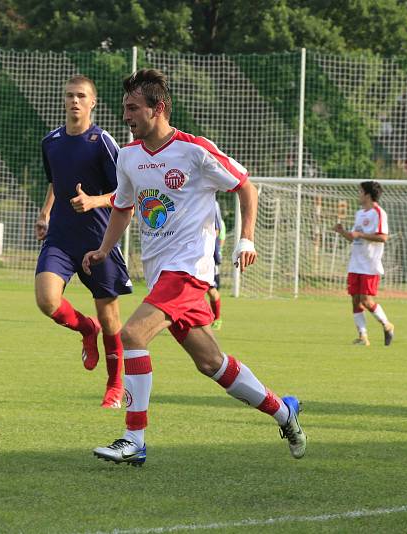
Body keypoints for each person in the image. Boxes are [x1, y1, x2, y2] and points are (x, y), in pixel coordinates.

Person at [82, 69, 306, 465]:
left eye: (133, 108)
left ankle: (134, 440)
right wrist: (103, 249)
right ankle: (284, 412)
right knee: (211, 364)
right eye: (124, 108)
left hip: (189, 268)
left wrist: (246, 238)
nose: (126, 116)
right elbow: (123, 207)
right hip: (159, 272)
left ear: (158, 108)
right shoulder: (129, 156)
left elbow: (244, 186)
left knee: (132, 334)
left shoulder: (194, 150)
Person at [35, 75, 132, 409]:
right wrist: (45, 212)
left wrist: (94, 201)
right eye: (69, 96)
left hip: (98, 239)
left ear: (93, 103)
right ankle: (84, 329)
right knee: (47, 301)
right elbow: (55, 182)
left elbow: (125, 191)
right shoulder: (51, 142)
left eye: (81, 96)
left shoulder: (102, 141)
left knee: (111, 319)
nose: (74, 101)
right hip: (61, 237)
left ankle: (115, 385)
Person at [334, 181, 395, 347]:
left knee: (366, 300)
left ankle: (387, 325)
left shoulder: (379, 213)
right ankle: (363, 336)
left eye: (360, 192)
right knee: (355, 300)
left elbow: (383, 237)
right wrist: (342, 232)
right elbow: (354, 237)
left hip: (370, 264)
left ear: (368, 194)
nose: (358, 195)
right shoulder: (359, 213)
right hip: (355, 263)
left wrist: (360, 234)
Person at [207, 200, 226, 330]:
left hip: (209, 256)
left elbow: (218, 231)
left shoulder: (213, 204)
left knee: (211, 290)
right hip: (191, 255)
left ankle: (217, 319)